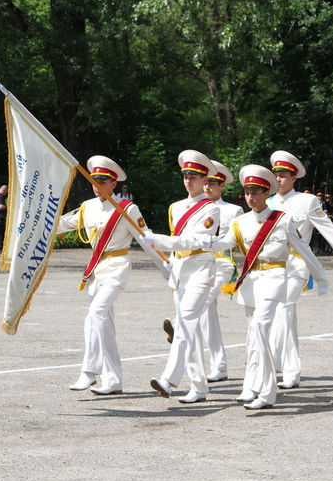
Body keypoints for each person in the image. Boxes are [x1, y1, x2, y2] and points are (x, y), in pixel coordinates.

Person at [206, 165, 329, 409]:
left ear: (267, 193)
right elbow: (221, 244)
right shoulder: (240, 222)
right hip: (251, 281)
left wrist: (322, 277)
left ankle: (266, 392)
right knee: (253, 336)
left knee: (261, 328)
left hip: (274, 277)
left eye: (257, 192)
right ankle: (250, 386)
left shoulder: (282, 220)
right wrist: (190, 241)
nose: (251, 197)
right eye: (248, 192)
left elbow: (304, 250)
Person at [58, 156, 165, 395]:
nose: (96, 185)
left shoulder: (127, 209)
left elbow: (145, 239)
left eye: (102, 181)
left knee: (95, 314)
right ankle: (113, 381)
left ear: (113, 184)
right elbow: (62, 225)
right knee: (105, 325)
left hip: (117, 266)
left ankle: (89, 371)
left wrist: (166, 268)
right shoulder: (87, 207)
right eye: (94, 180)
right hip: (96, 271)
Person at [267, 151, 333, 389]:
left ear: (294, 177)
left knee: (283, 309)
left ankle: (272, 364)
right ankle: (292, 372)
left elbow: (328, 229)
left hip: (297, 265)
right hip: (272, 267)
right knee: (286, 315)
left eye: (283, 176)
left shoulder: (307, 201)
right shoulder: (268, 202)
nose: (279, 180)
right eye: (276, 175)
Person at [140, 150, 220, 404]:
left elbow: (193, 240)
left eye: (195, 176)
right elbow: (177, 244)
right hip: (180, 271)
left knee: (184, 322)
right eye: (186, 175)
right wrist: (168, 264)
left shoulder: (211, 209)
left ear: (204, 179)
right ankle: (199, 387)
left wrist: (159, 240)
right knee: (191, 331)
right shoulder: (175, 207)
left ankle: (169, 379)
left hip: (200, 269)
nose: (189, 181)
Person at [163, 160, 243, 382]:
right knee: (207, 316)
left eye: (213, 183)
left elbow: (240, 240)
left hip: (223, 263)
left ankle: (178, 327)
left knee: (201, 303)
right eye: (206, 183)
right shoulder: (186, 206)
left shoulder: (233, 210)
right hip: (195, 263)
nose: (208, 187)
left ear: (221, 185)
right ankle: (218, 366)